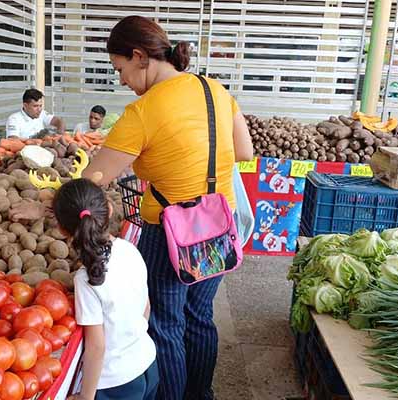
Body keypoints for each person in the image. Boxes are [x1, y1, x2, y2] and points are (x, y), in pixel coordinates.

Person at [78, 16, 253, 400]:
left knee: (166, 324)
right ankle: (201, 394)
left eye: (120, 69)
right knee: (200, 318)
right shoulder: (216, 90)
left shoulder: (143, 112)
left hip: (170, 233)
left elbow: (93, 179)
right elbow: (244, 151)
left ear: (140, 57)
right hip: (219, 228)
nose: (122, 80)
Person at [54, 179, 158, 400]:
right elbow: (145, 307)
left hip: (116, 384)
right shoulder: (130, 249)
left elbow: (96, 347)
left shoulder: (86, 280)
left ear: (63, 230)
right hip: (147, 362)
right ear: (109, 210)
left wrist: (86, 397)